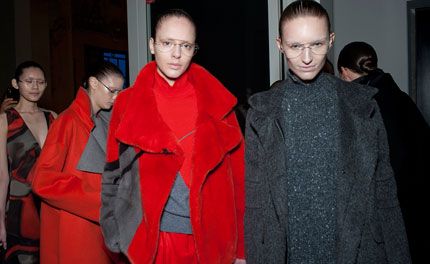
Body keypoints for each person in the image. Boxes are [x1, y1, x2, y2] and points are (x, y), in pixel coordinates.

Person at [244, 1, 410, 263]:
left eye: (317, 44)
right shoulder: (262, 112)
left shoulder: (363, 105)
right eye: (295, 46)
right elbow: (256, 206)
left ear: (331, 40)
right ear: (280, 45)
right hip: (288, 254)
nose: (307, 57)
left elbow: (385, 194)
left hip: (358, 251)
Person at [100, 9, 245, 264]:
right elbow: (113, 172)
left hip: (212, 242)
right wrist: (114, 230)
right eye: (167, 43)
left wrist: (242, 250)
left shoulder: (219, 104)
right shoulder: (128, 103)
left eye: (186, 46)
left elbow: (241, 180)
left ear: (194, 49)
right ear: (152, 45)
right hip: (154, 242)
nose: (176, 55)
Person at [337, 41, 430, 262]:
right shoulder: (401, 97)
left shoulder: (363, 105)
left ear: (343, 72)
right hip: (418, 202)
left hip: (388, 208)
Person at [29, 61, 124, 263]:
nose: (116, 98)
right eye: (112, 91)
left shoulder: (102, 122)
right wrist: (99, 199)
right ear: (93, 83)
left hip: (95, 225)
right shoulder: (68, 120)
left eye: (119, 92)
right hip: (75, 225)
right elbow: (43, 180)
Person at [0, 61, 57, 263]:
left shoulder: (53, 117)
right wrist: (0, 222)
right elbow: (2, 177)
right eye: (29, 81)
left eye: (40, 82)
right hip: (18, 209)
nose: (35, 87)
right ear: (16, 84)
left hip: (50, 204)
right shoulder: (4, 120)